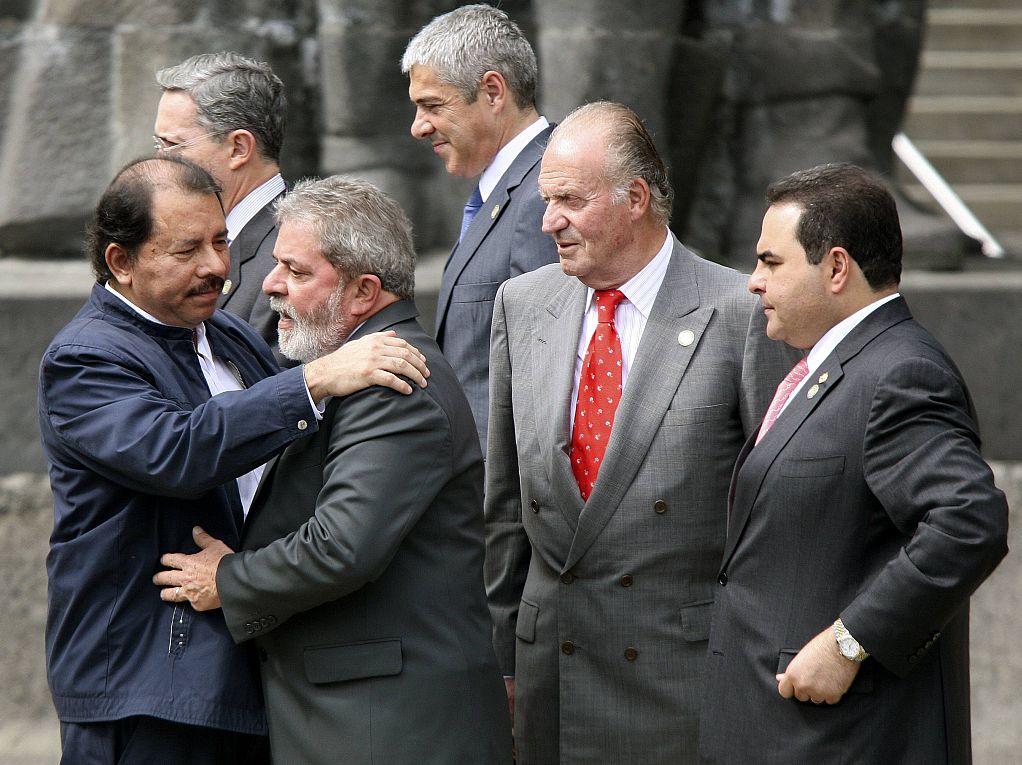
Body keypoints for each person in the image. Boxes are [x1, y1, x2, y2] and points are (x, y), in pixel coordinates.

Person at [38, 155, 428, 764]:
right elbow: (178, 450)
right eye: (186, 250)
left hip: (241, 669)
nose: (217, 267)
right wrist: (314, 380)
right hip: (145, 689)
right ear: (121, 262)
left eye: (220, 241)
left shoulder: (227, 332)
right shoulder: (83, 360)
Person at [154, 176, 513, 765]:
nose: (270, 284)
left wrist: (228, 580)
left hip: (387, 729)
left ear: (363, 291)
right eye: (277, 264)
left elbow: (342, 546)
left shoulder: (392, 381)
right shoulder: (352, 367)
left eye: (295, 272)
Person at [484, 101, 800, 764]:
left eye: (570, 200)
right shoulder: (523, 303)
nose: (549, 221)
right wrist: (503, 658)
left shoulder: (739, 314)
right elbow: (507, 505)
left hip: (678, 681)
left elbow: (777, 516)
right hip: (550, 681)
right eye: (547, 200)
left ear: (635, 198)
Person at [698, 163, 1009, 764]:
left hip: (847, 741)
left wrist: (849, 642)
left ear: (836, 267)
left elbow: (968, 521)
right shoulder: (836, 365)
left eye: (771, 262)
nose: (753, 282)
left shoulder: (901, 373)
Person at [402, 4, 558, 452]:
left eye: (432, 105)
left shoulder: (546, 191)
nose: (418, 127)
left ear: (492, 91)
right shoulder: (506, 189)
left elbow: (547, 371)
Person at [155, 51, 290, 362]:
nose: (159, 162)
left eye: (173, 145)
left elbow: (281, 383)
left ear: (238, 148)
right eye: (158, 144)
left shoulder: (297, 254)